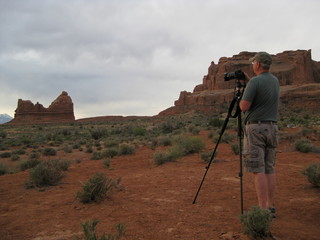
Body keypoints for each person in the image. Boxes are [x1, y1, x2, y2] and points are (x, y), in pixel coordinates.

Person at [239, 52, 280, 216]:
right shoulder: (274, 81)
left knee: (258, 169)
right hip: (272, 127)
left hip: (256, 128)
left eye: (253, 62)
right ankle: (270, 206)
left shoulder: (255, 82)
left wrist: (241, 97)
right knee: (269, 167)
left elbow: (244, 106)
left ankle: (262, 210)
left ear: (257, 64)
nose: (252, 65)